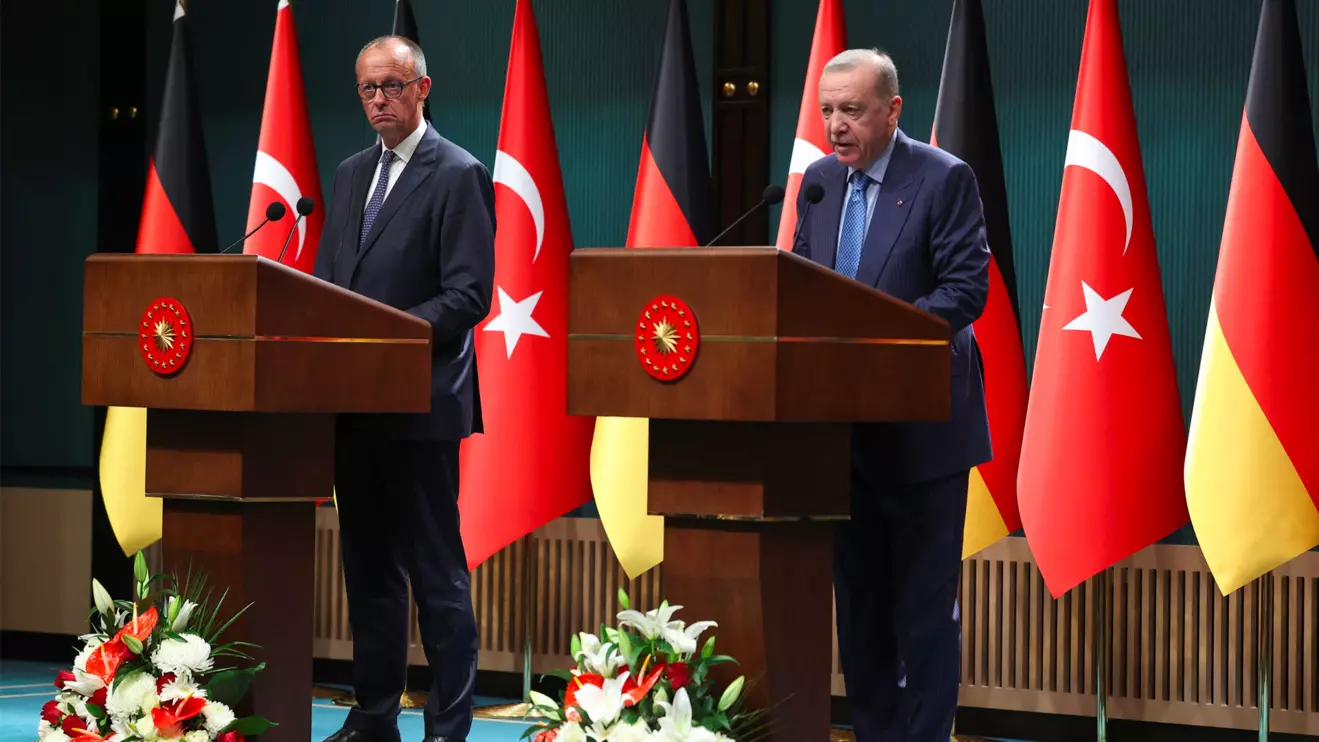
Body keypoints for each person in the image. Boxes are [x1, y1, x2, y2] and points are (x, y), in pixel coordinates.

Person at [792, 49, 991, 742]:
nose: (835, 126)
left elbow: (965, 291)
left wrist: (870, 340)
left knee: (923, 613)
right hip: (840, 437)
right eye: (826, 111)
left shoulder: (942, 178)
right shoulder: (818, 183)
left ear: (892, 109)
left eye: (851, 110)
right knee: (861, 611)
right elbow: (801, 289)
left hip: (922, 432)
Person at [314, 35, 495, 742]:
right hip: (354, 409)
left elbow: (468, 295)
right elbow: (330, 285)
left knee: (436, 574)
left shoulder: (458, 172)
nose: (379, 100)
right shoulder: (349, 174)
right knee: (368, 573)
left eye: (391, 85)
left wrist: (383, 337)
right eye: (367, 88)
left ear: (423, 88)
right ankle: (374, 715)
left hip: (421, 405)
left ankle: (448, 727)